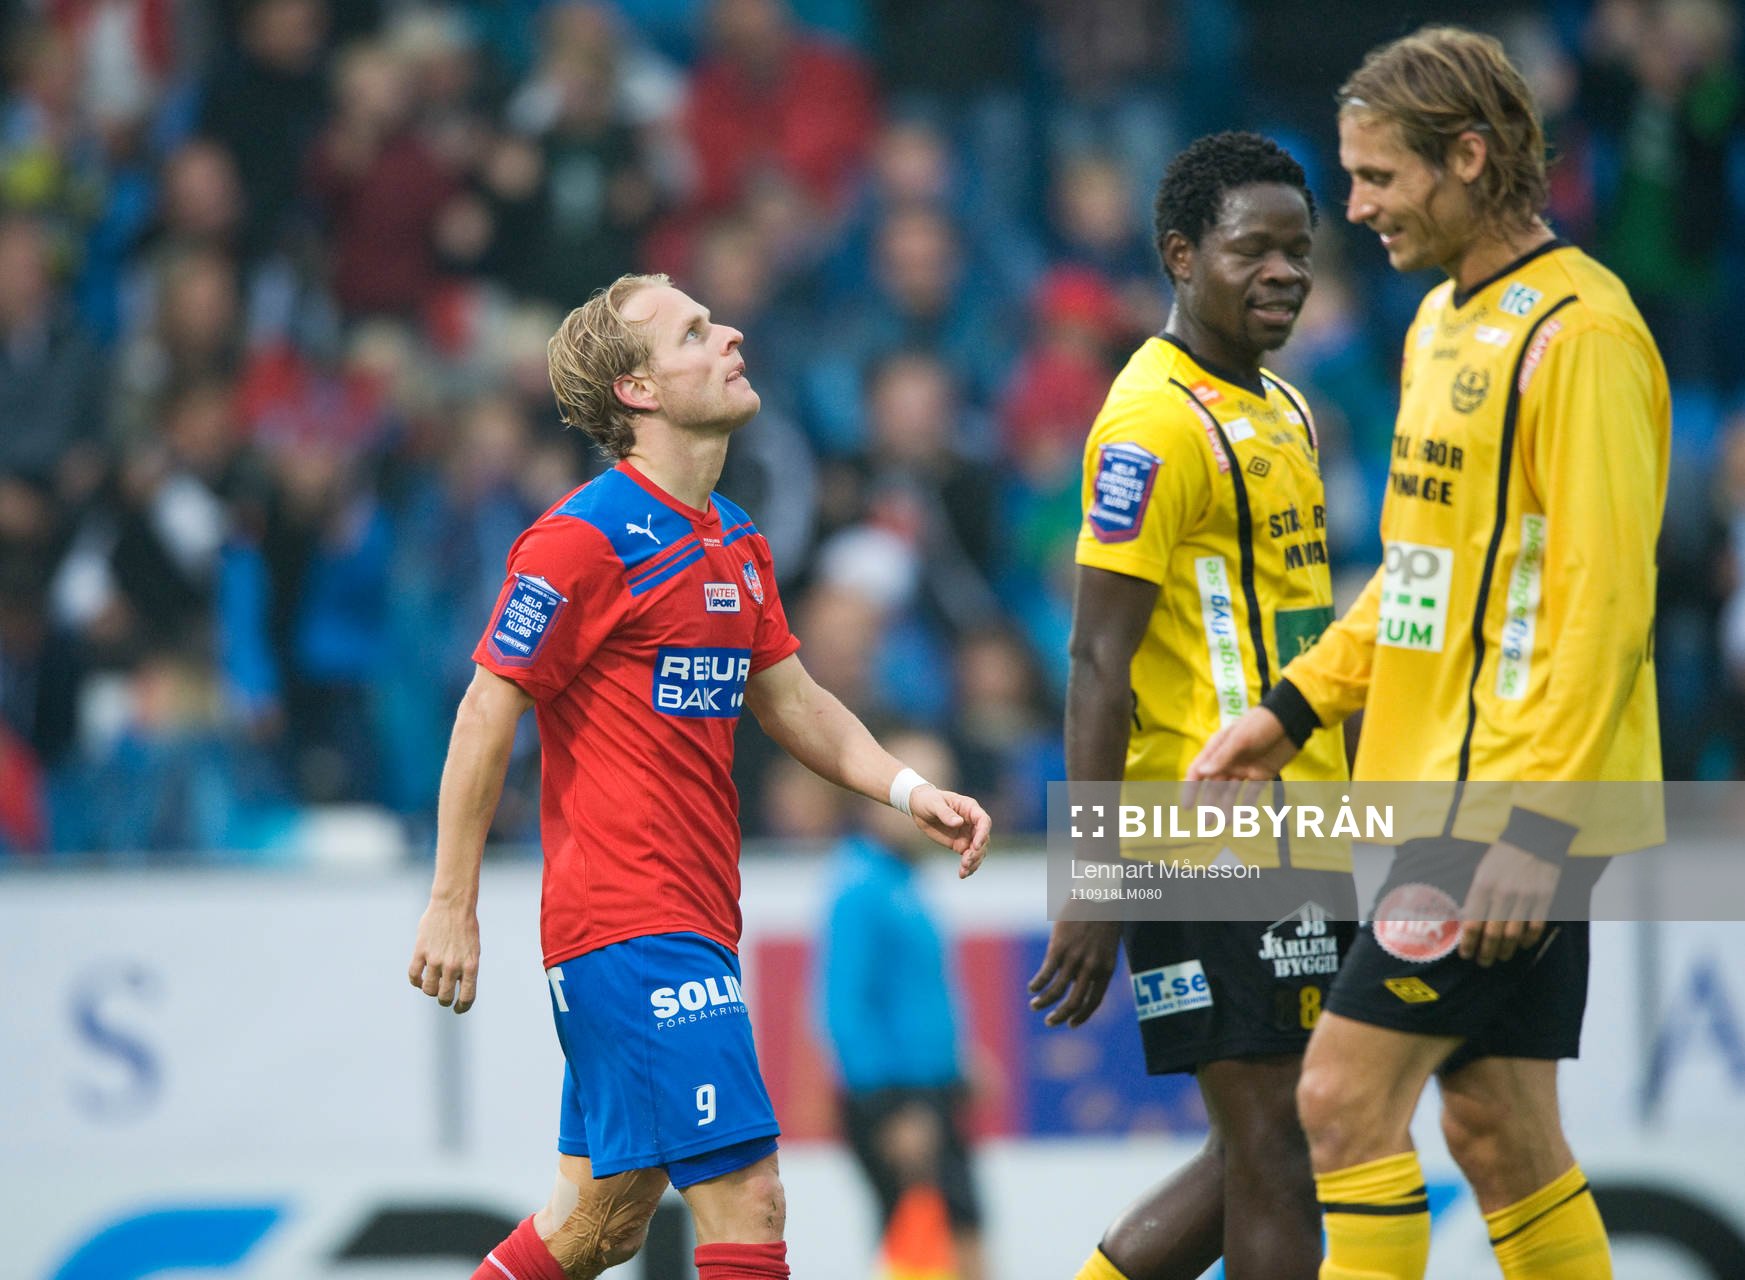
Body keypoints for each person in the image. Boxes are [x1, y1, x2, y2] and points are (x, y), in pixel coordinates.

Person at [1190, 27, 1669, 1280]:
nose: (1352, 208)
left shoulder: (1585, 339)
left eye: (1377, 177)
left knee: (1341, 1100)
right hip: (1425, 791)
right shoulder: (1437, 328)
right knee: (1500, 1135)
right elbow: (1417, 577)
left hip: (1501, 813)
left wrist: (1541, 828)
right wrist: (1295, 707)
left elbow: (1606, 609)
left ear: (1467, 158)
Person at [406, 272, 992, 1280]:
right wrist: (451, 902)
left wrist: (904, 787)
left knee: (599, 1221)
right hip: (629, 922)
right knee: (747, 1192)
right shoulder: (578, 540)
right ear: (635, 391)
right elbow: (484, 706)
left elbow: (794, 701)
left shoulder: (736, 539)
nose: (727, 333)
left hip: (690, 917)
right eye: (690, 332)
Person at [1027, 132, 1357, 1280]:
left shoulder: (1287, 410)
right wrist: (1092, 872)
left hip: (1308, 828)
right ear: (1179, 254)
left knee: (1277, 1139)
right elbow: (1093, 662)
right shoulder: (1151, 424)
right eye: (1250, 249)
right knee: (1274, 1141)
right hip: (1202, 836)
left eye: (1298, 250)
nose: (1283, 272)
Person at [818, 729, 987, 1280]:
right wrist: (889, 1110)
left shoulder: (896, 878)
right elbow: (843, 1009)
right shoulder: (861, 885)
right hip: (898, 1102)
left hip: (927, 1094)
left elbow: (909, 996)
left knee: (945, 1240)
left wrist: (958, 1063)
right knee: (933, 1246)